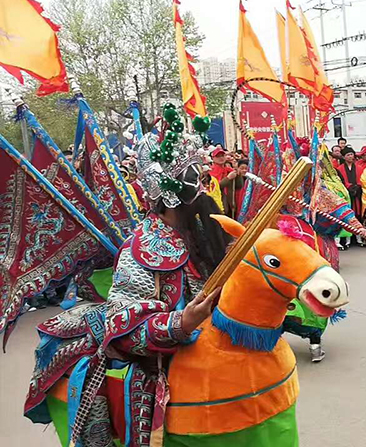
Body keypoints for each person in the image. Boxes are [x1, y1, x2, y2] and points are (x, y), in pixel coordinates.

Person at [24, 126, 230, 445]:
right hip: (163, 361)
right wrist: (183, 322)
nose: (204, 189)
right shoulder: (141, 250)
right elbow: (124, 328)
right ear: (175, 193)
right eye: (197, 180)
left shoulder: (204, 233)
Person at [336, 146, 364, 249]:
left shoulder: (359, 168)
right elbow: (341, 181)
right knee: (347, 216)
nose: (350, 156)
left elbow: (362, 179)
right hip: (347, 194)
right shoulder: (340, 169)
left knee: (357, 215)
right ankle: (347, 240)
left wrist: (357, 186)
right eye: (348, 155)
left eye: (351, 154)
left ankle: (359, 237)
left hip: (358, 193)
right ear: (343, 157)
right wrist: (349, 187)